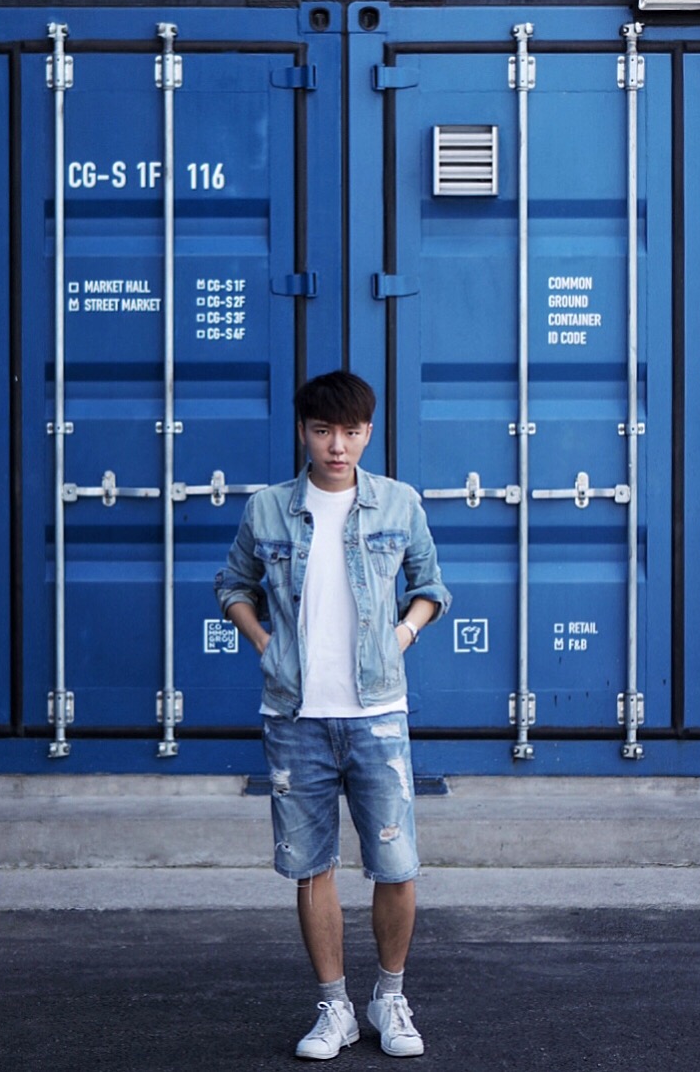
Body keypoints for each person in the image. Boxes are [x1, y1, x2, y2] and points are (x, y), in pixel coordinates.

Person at [214, 370, 452, 1060]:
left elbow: (430, 585)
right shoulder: (266, 510)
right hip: (295, 715)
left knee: (396, 864)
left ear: (367, 432)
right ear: (302, 432)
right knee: (310, 866)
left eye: (349, 432)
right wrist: (263, 642)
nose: (336, 445)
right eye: (323, 431)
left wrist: (400, 636)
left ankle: (390, 997)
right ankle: (334, 1008)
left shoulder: (398, 505)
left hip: (376, 712)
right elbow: (232, 582)